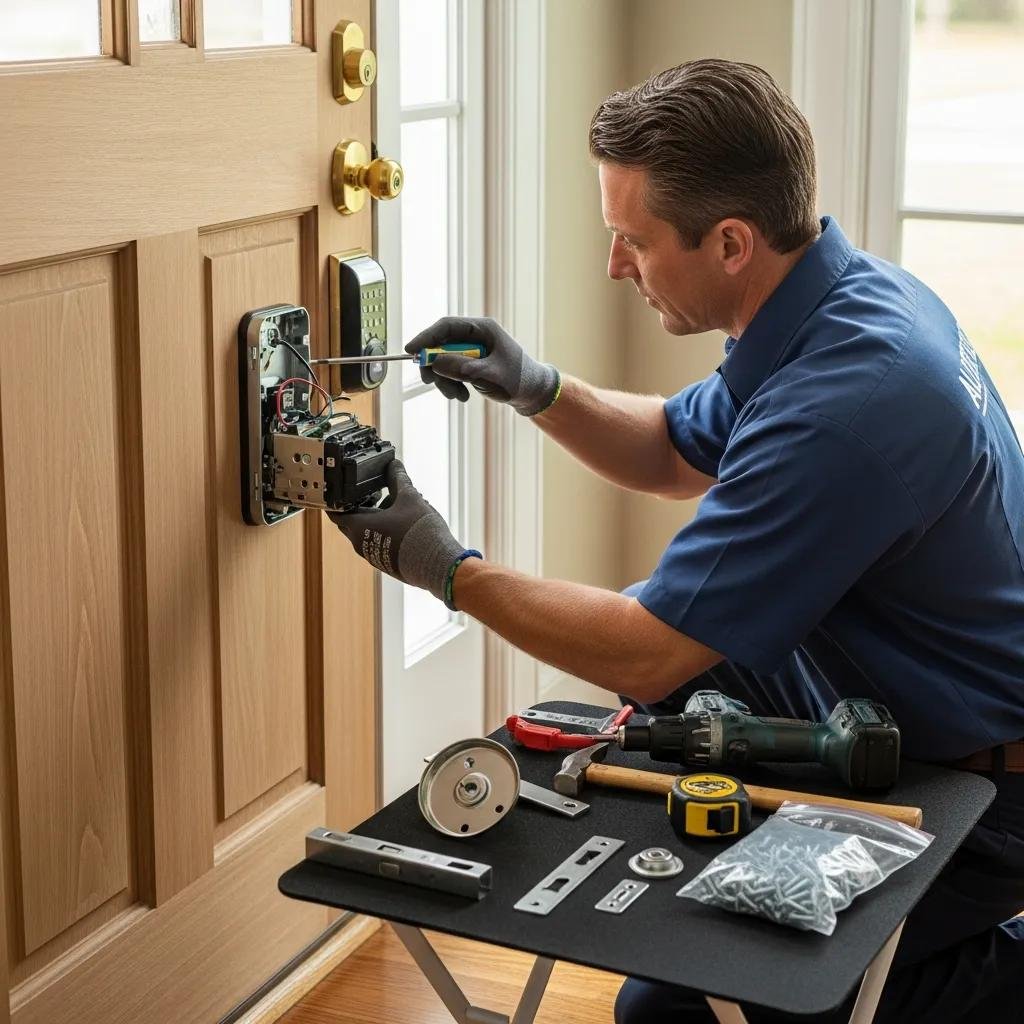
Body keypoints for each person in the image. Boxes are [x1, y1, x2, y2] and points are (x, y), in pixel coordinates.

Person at [330, 59, 1024, 1022]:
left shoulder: (851, 408)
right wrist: (534, 384)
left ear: (731, 241)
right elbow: (672, 447)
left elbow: (646, 644)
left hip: (980, 792)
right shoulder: (832, 303)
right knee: (667, 710)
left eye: (633, 240)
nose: (615, 264)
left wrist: (441, 564)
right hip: (879, 698)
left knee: (665, 1012)